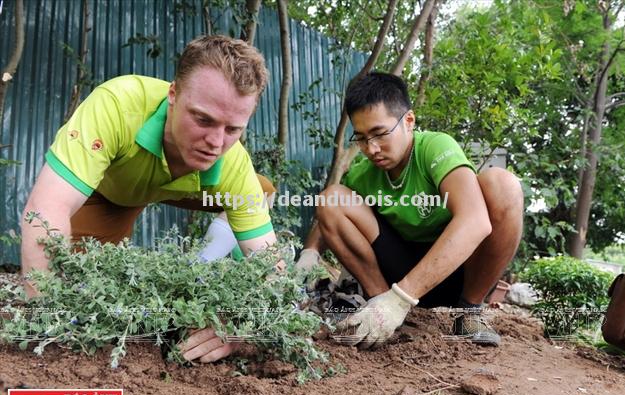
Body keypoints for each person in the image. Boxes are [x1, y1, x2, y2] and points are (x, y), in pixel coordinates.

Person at [20, 34, 277, 362]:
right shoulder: (117, 105)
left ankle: (201, 266)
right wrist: (48, 317)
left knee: (262, 189)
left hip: (190, 189)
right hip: (114, 194)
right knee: (82, 287)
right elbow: (46, 209)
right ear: (173, 94)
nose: (215, 141)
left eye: (233, 130)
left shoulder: (231, 162)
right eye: (203, 119)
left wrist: (242, 325)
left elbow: (273, 270)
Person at [296, 72, 523, 348]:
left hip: (458, 272)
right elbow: (328, 214)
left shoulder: (433, 148)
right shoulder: (363, 174)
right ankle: (380, 312)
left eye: (380, 134)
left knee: (503, 185)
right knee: (331, 198)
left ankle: (469, 312)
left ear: (409, 121)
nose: (372, 148)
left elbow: (475, 221)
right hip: (396, 274)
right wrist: (310, 253)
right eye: (362, 138)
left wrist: (401, 299)